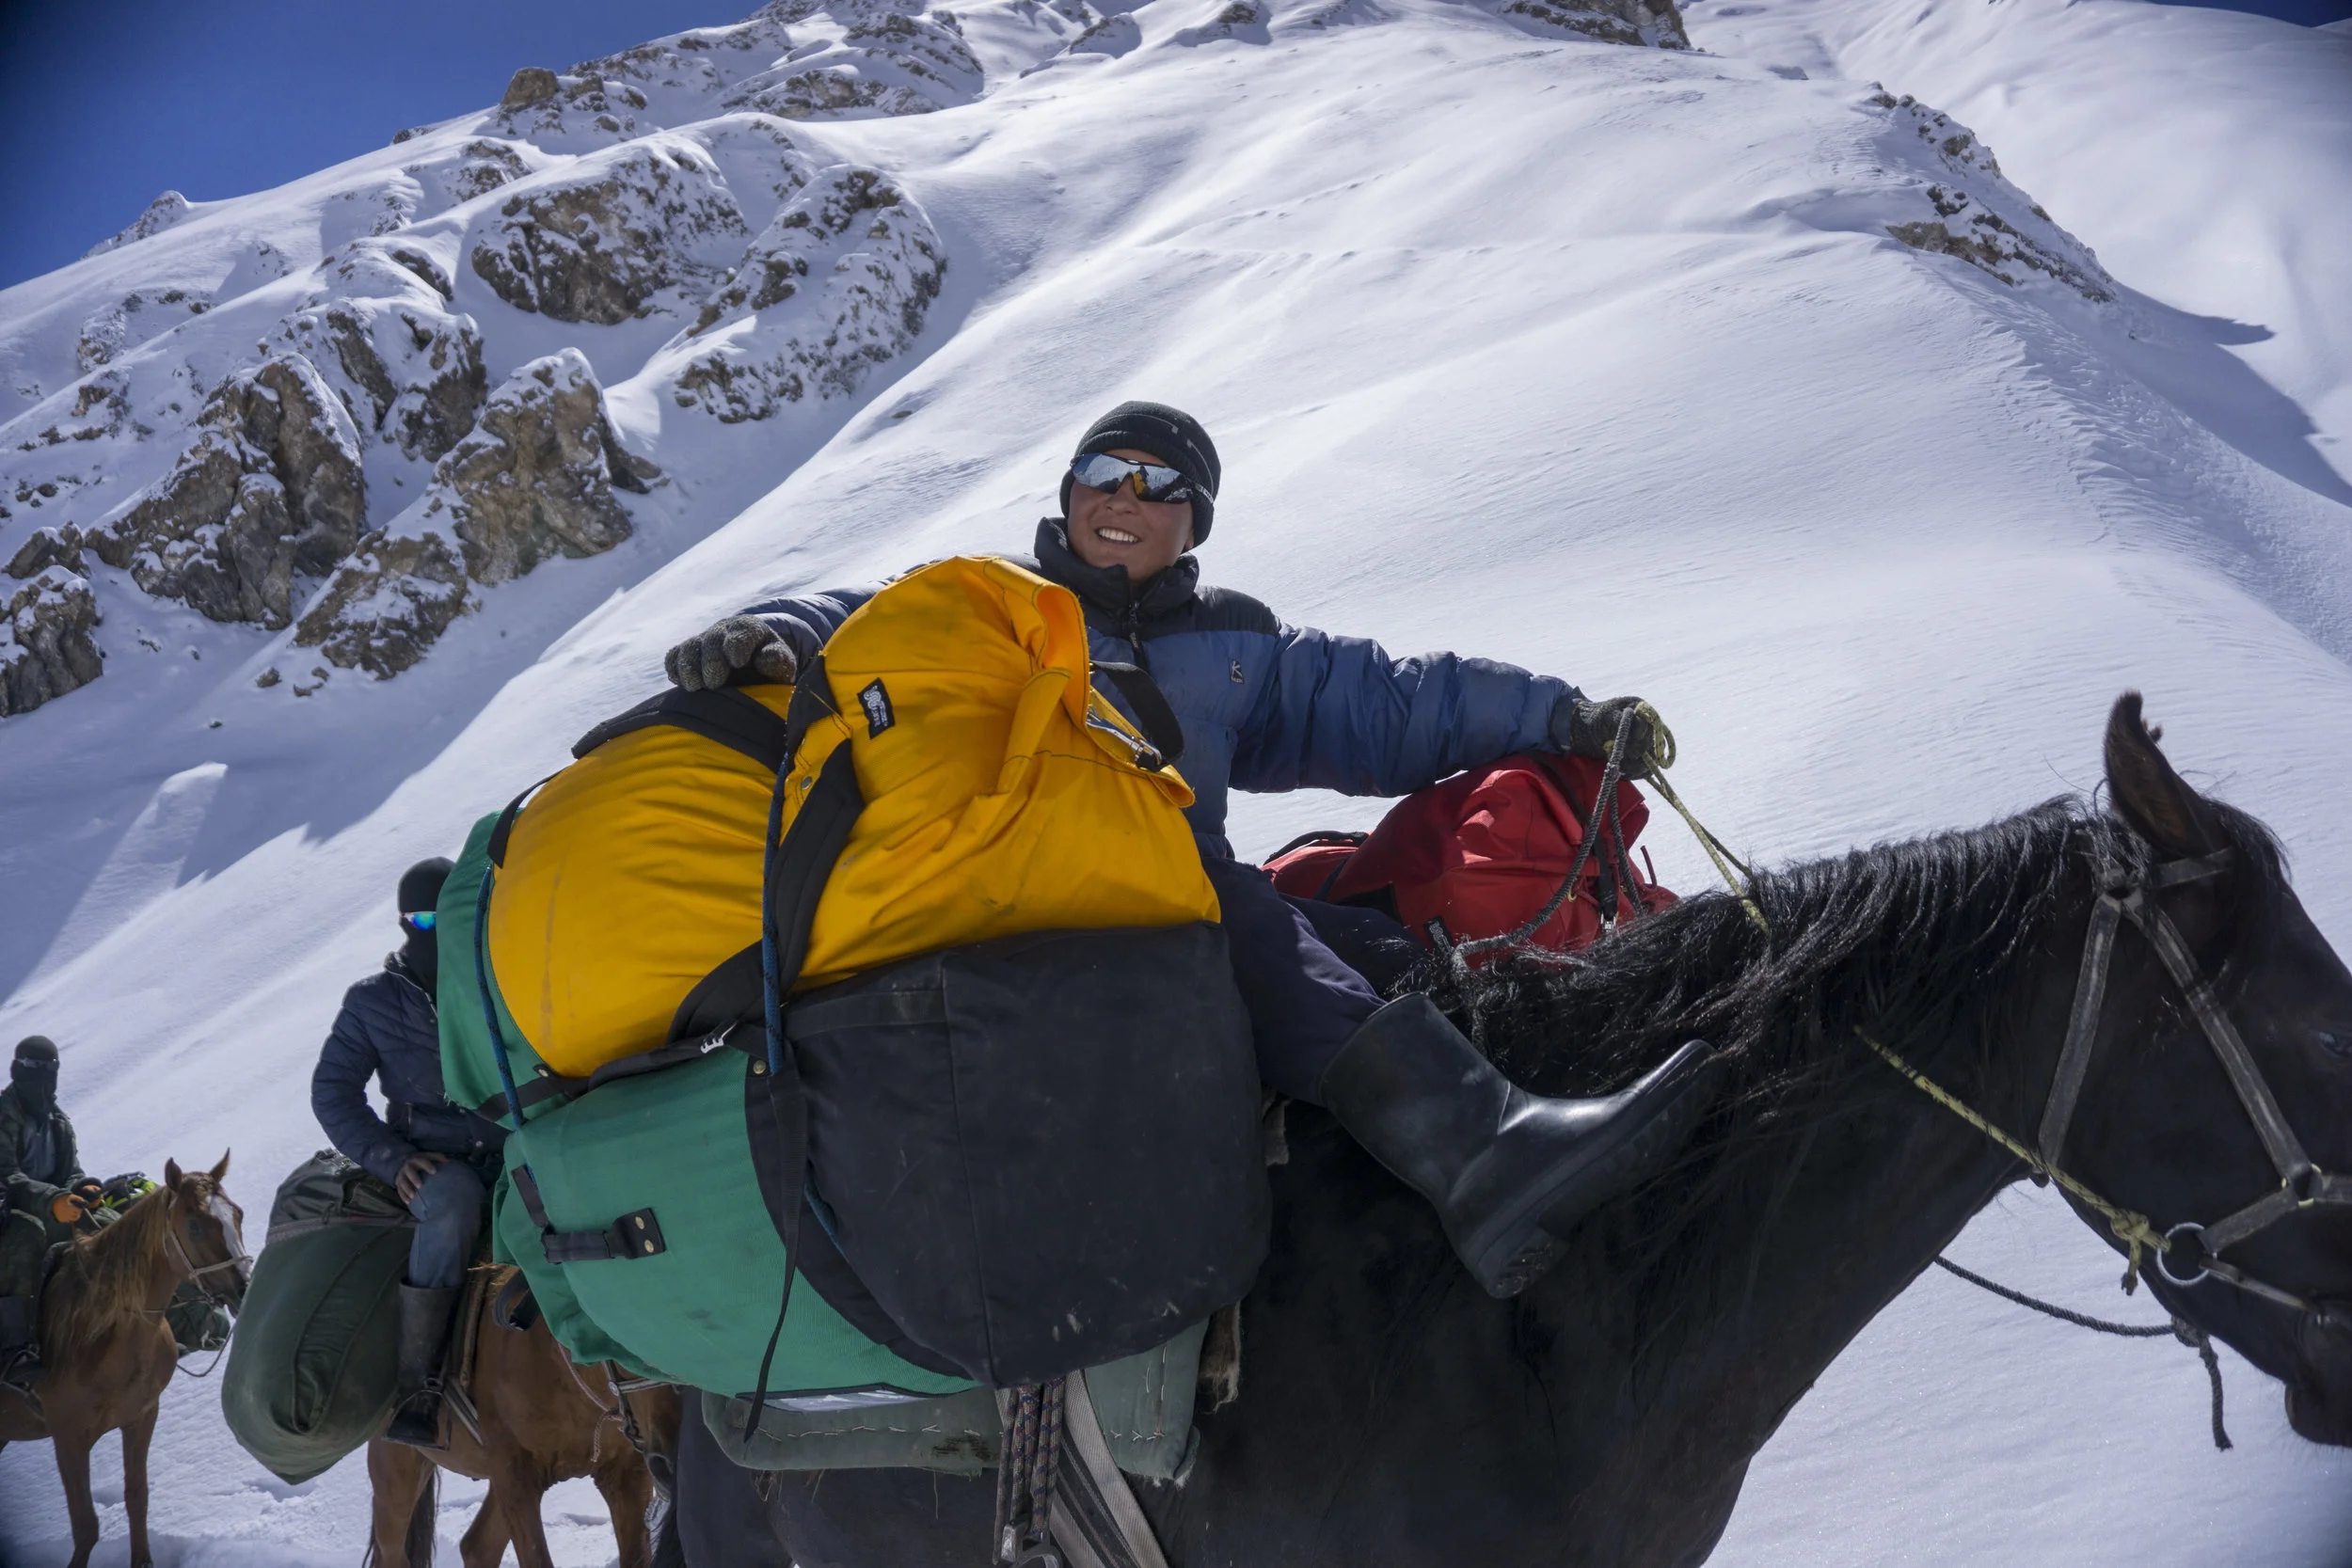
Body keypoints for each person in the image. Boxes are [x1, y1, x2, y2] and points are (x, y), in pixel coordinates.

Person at [664, 401, 1722, 1300]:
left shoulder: (1227, 644)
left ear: (1192, 522)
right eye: (1103, 470)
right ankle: (1480, 1161)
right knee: (1235, 908)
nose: (1124, 496)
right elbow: (858, 619)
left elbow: (1383, 702)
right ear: (1069, 493)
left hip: (1175, 889)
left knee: (1386, 952)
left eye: (1160, 483)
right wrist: (775, 632)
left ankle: (1469, 1185)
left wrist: (1563, 716)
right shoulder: (989, 602)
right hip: (1017, 891)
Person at [311, 857, 507, 1448]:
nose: (434, 929)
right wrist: (391, 1158)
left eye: (445, 914)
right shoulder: (372, 1001)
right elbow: (333, 1091)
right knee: (452, 1206)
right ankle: (419, 1385)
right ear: (402, 921)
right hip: (435, 1159)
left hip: (510, 1143)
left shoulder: (500, 978)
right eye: (421, 919)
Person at [0, 1035, 103, 1391]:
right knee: (27, 1234)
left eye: (48, 1068)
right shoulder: (3, 1115)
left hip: (50, 1205)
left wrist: (82, 1190)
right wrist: (53, 1201)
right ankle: (13, 1349)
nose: (41, 1076)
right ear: (17, 1068)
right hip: (8, 1209)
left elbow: (71, 1171)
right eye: (33, 1066)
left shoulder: (57, 1120)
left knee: (106, 1227)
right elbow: (7, 1176)